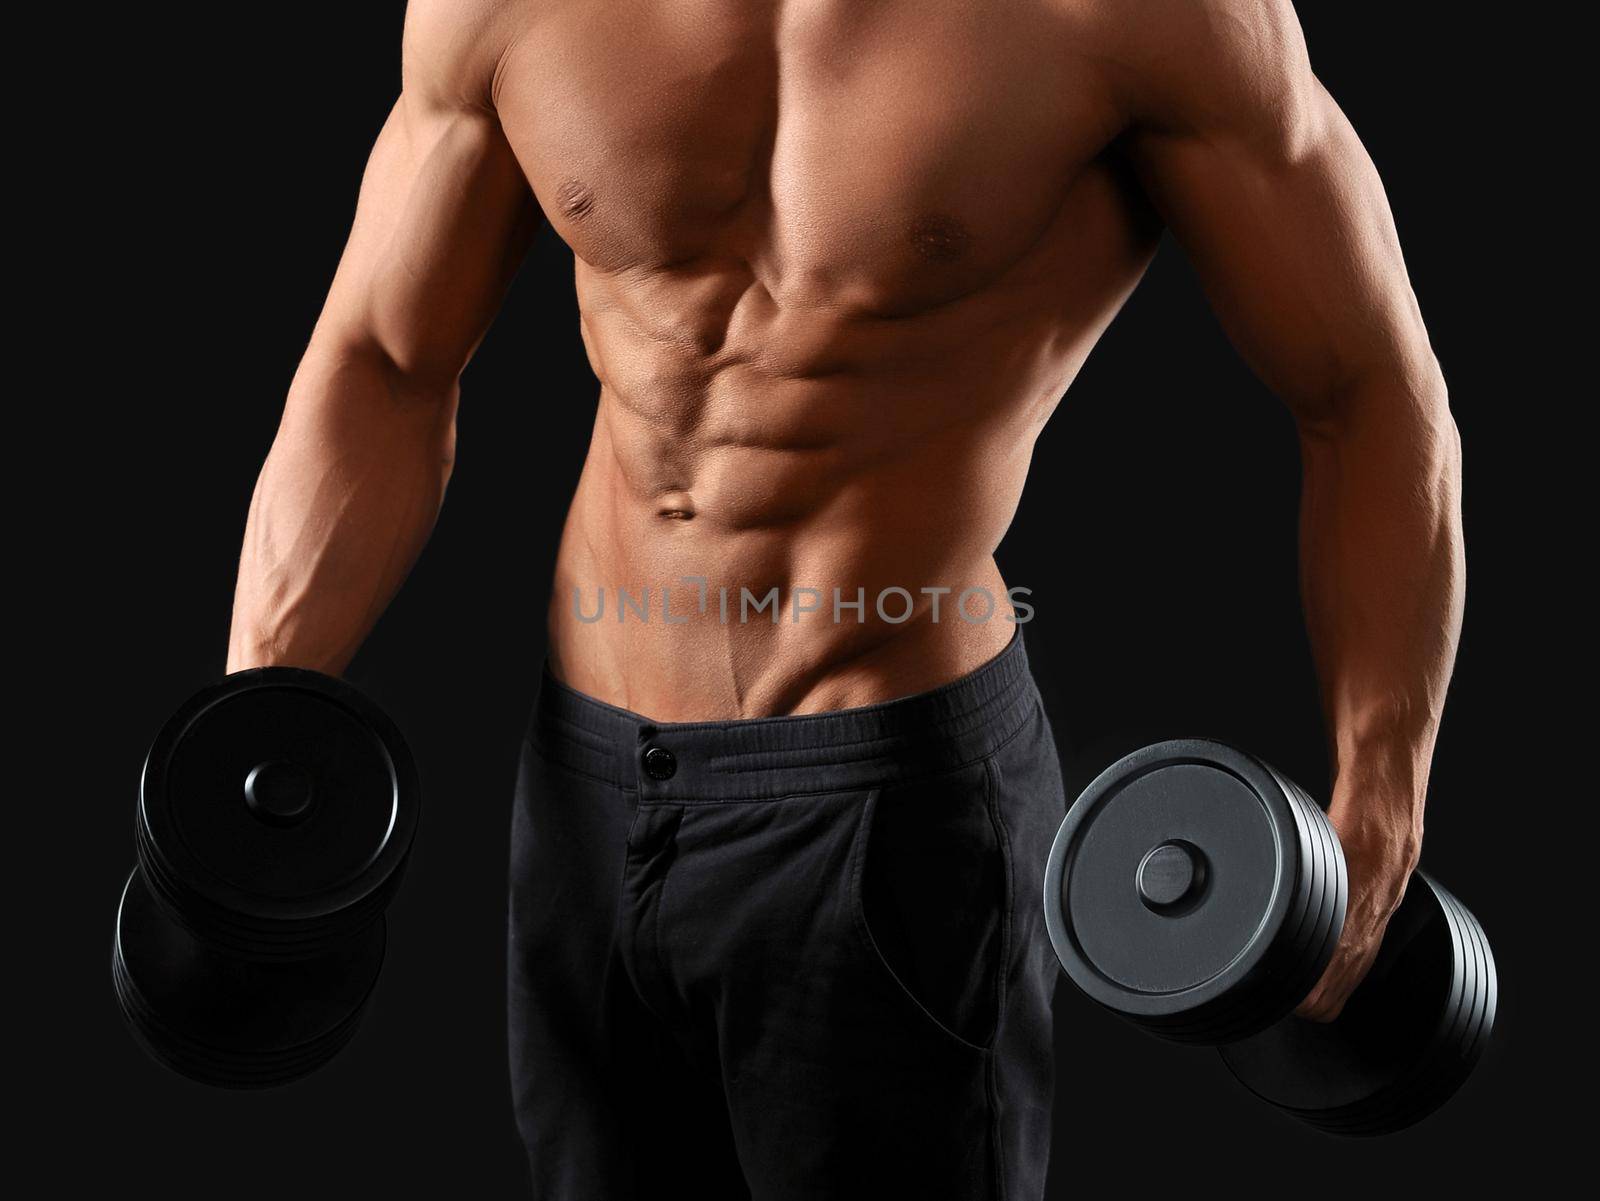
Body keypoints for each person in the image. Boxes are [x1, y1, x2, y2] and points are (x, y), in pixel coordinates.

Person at [224, 1, 1463, 1196]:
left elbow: (1368, 394)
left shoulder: (1135, 14)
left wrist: (1383, 793)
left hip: (890, 809)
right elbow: (381, 360)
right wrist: (250, 733)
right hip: (587, 785)